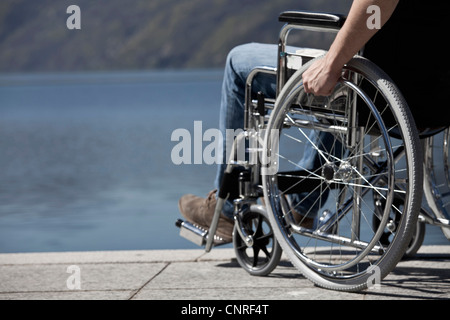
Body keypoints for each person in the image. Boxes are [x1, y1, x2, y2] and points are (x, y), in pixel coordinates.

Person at [178, 0, 450, 244]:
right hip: (431, 103)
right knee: (347, 86)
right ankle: (302, 204)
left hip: (375, 91)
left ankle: (227, 208)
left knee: (239, 61)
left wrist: (333, 61)